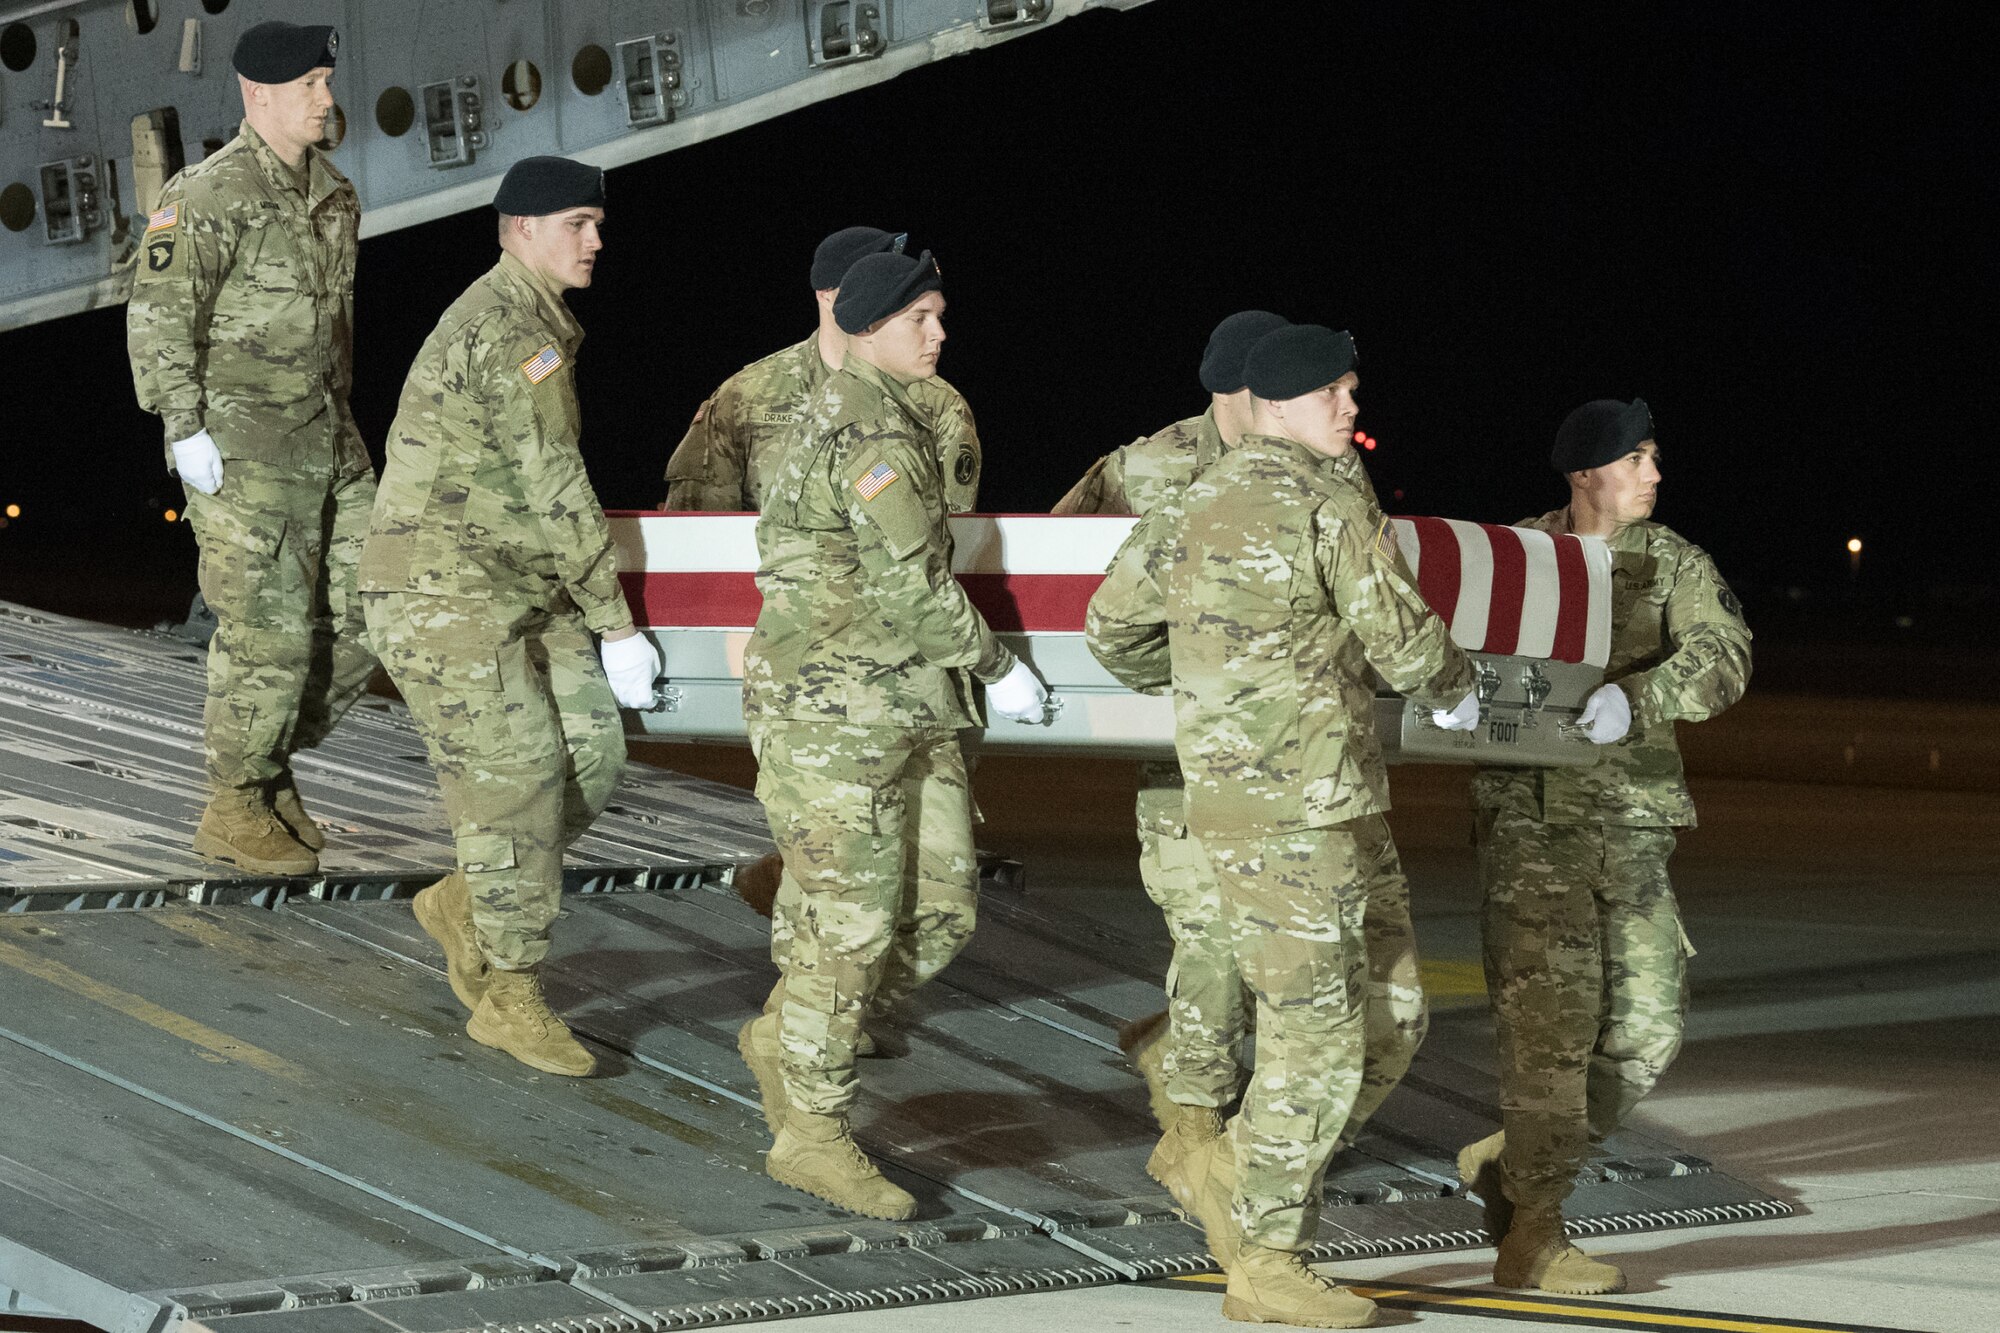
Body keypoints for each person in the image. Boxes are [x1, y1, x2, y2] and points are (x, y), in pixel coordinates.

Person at [1091, 324, 1478, 1328]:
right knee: (1323, 1033)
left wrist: (1204, 693)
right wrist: (1458, 686)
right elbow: (1401, 638)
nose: (1351, 410)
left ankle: (1230, 1164)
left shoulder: (1185, 500)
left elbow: (1111, 628)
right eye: (1334, 394)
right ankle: (1265, 1256)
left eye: (1352, 391)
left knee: (1391, 1009)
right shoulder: (1324, 497)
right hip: (1299, 809)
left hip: (1296, 803)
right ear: (1278, 403)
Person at [736, 249, 1048, 1220]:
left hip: (905, 706)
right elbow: (912, 582)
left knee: (944, 905)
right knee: (852, 925)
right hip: (836, 715)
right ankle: (814, 1134)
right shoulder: (865, 428)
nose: (939, 334)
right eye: (922, 318)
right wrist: (1002, 666)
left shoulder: (897, 418)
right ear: (870, 326)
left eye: (940, 317)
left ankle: (788, 1030)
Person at [358, 157, 661, 1079]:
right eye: (578, 222)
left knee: (596, 753)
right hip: (442, 589)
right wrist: (616, 625)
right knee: (519, 773)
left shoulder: (536, 320)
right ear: (519, 228)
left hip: (517, 588)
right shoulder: (508, 330)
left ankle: (466, 901)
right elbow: (556, 481)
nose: (597, 240)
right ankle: (512, 992)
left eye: (599, 222)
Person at [1456, 399, 1751, 1294]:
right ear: (1586, 473)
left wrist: (1643, 697)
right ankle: (1534, 1233)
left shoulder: (1671, 563)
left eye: (1654, 456)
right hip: (1531, 827)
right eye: (1637, 458)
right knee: (1549, 1036)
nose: (1654, 473)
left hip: (1630, 824)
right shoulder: (1513, 558)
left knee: (1651, 1026)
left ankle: (1515, 1163)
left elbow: (1726, 650)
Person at [127, 20, 376, 876]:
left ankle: (266, 766)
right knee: (265, 631)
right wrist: (183, 427)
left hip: (330, 437)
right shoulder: (206, 195)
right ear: (257, 95)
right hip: (240, 447)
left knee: (376, 601)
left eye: (326, 81)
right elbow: (158, 317)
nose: (326, 97)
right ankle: (236, 802)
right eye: (309, 84)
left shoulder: (336, 193)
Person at [1057, 311, 1284, 1156]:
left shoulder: (1313, 468)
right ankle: (1196, 1140)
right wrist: (1185, 685)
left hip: (1280, 760)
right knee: (1218, 945)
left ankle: (1171, 1044)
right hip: (1181, 753)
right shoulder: (1148, 468)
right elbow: (1069, 584)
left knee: (1285, 955)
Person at [660, 226, 982, 514]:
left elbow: (952, 535)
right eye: (867, 279)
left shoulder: (938, 405)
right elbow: (696, 534)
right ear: (826, 295)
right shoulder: (746, 397)